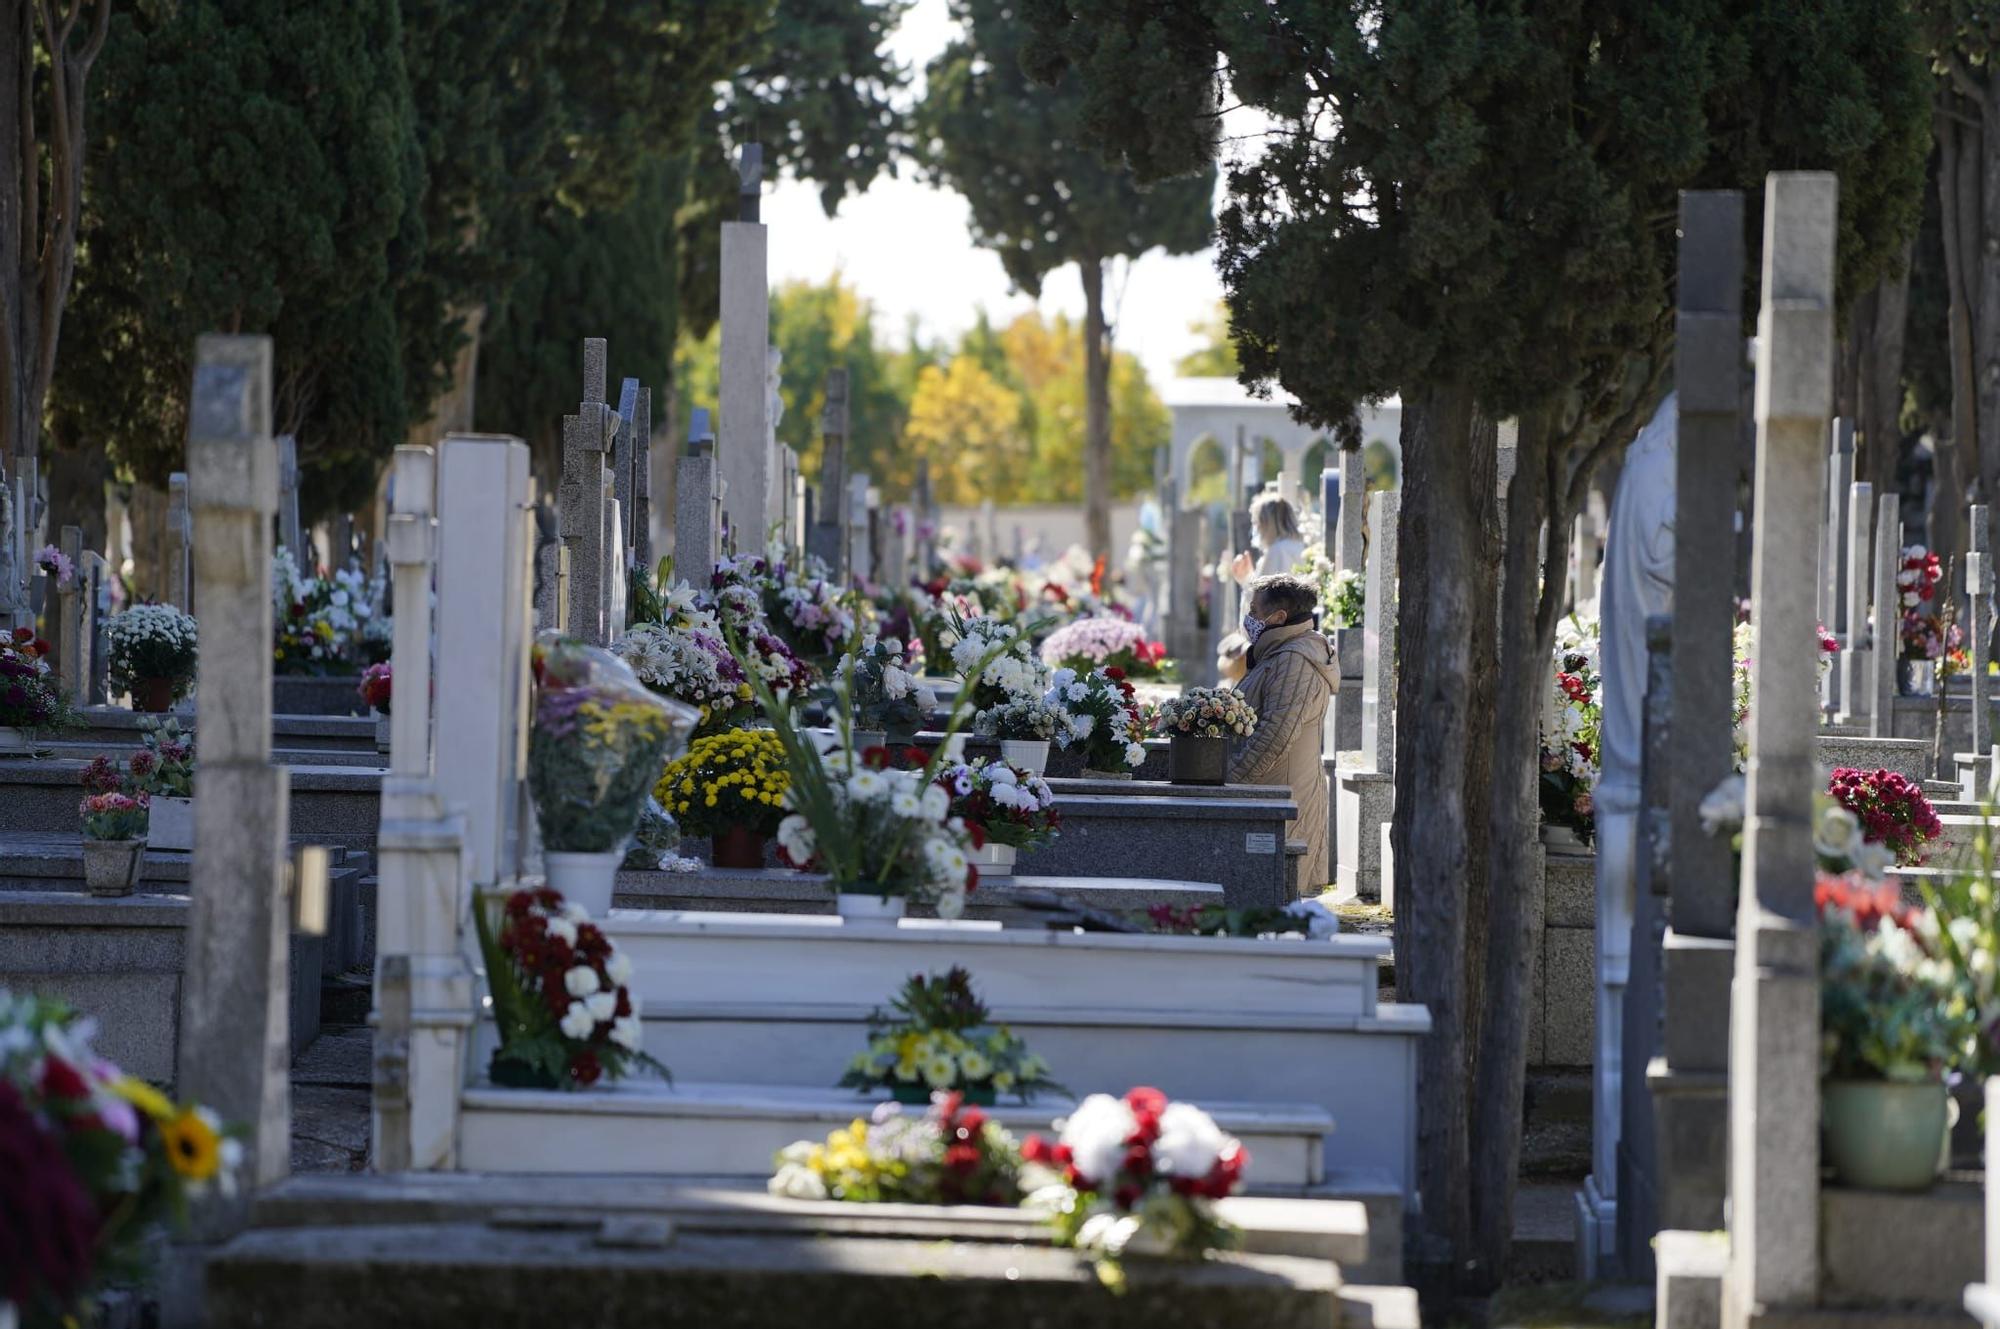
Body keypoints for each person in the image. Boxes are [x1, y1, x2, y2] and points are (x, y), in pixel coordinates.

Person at [1229, 573, 1339, 889]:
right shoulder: (1278, 653)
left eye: (1254, 610)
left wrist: (1229, 781)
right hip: (1270, 793)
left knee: (1274, 898)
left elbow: (1276, 734)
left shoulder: (1295, 660)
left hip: (1281, 797)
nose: (1249, 618)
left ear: (1279, 617)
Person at [1228, 492, 1306, 586]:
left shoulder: (1277, 550)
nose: (1256, 529)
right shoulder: (1299, 546)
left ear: (1266, 523)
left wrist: (1245, 578)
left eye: (1256, 523)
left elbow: (1263, 596)